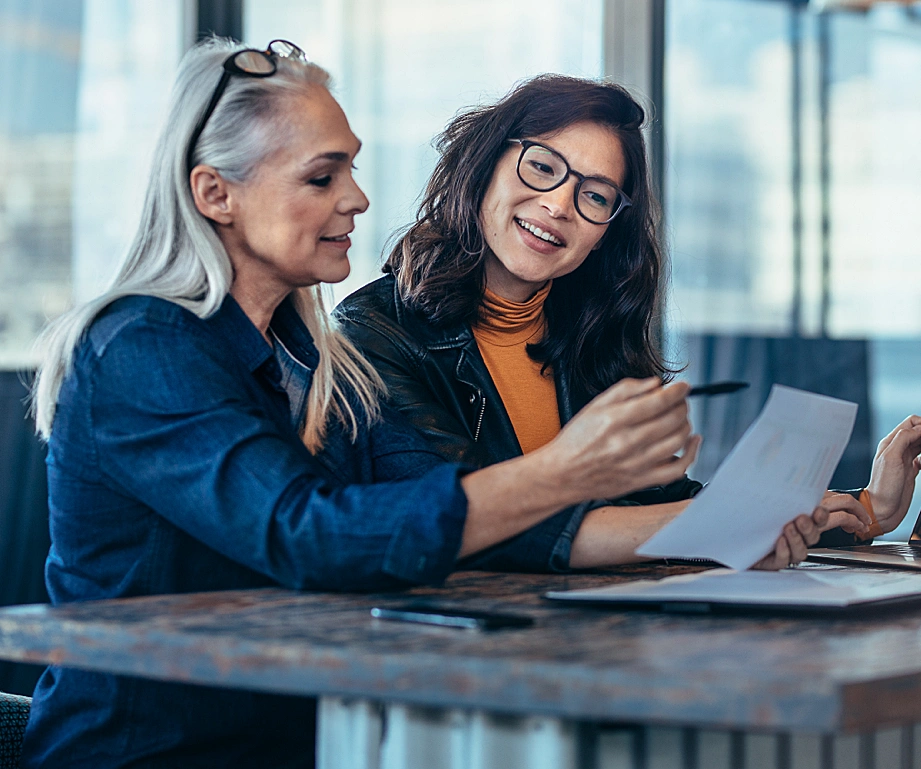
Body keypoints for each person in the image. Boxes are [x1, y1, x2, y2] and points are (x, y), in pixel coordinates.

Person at [336, 74, 921, 559]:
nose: (559, 205)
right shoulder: (373, 333)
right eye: (542, 167)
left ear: (605, 231)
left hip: (590, 643)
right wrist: (729, 528)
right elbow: (465, 524)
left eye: (594, 196)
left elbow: (657, 503)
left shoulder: (592, 335)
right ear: (486, 163)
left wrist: (868, 508)